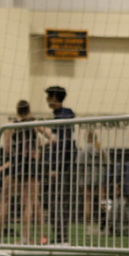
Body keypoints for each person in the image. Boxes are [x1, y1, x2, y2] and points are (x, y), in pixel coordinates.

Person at [9, 101, 55, 244]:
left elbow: (8, 148)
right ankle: (42, 236)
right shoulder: (34, 123)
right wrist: (40, 147)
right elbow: (52, 138)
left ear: (17, 110)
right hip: (32, 164)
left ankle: (25, 237)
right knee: (35, 201)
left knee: (28, 202)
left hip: (19, 164)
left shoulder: (13, 125)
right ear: (29, 109)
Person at [44, 85, 76, 245]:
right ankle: (59, 237)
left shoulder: (62, 117)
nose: (46, 100)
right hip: (61, 167)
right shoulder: (61, 116)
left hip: (61, 168)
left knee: (58, 203)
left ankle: (61, 238)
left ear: (54, 98)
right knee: (55, 203)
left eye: (48, 97)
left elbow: (62, 144)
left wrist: (56, 167)